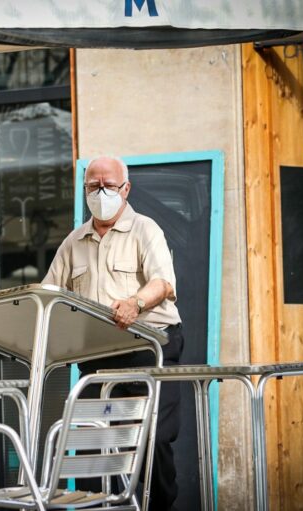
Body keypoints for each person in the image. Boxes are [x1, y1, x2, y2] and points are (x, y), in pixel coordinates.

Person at [42, 155, 183, 510]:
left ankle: (159, 506)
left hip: (148, 347)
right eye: (94, 186)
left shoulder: (145, 230)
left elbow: (163, 283)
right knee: (90, 444)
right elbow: (46, 296)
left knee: (151, 439)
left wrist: (135, 302)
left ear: (126, 189)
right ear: (84, 190)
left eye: (109, 186)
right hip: (98, 357)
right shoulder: (73, 242)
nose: (101, 192)